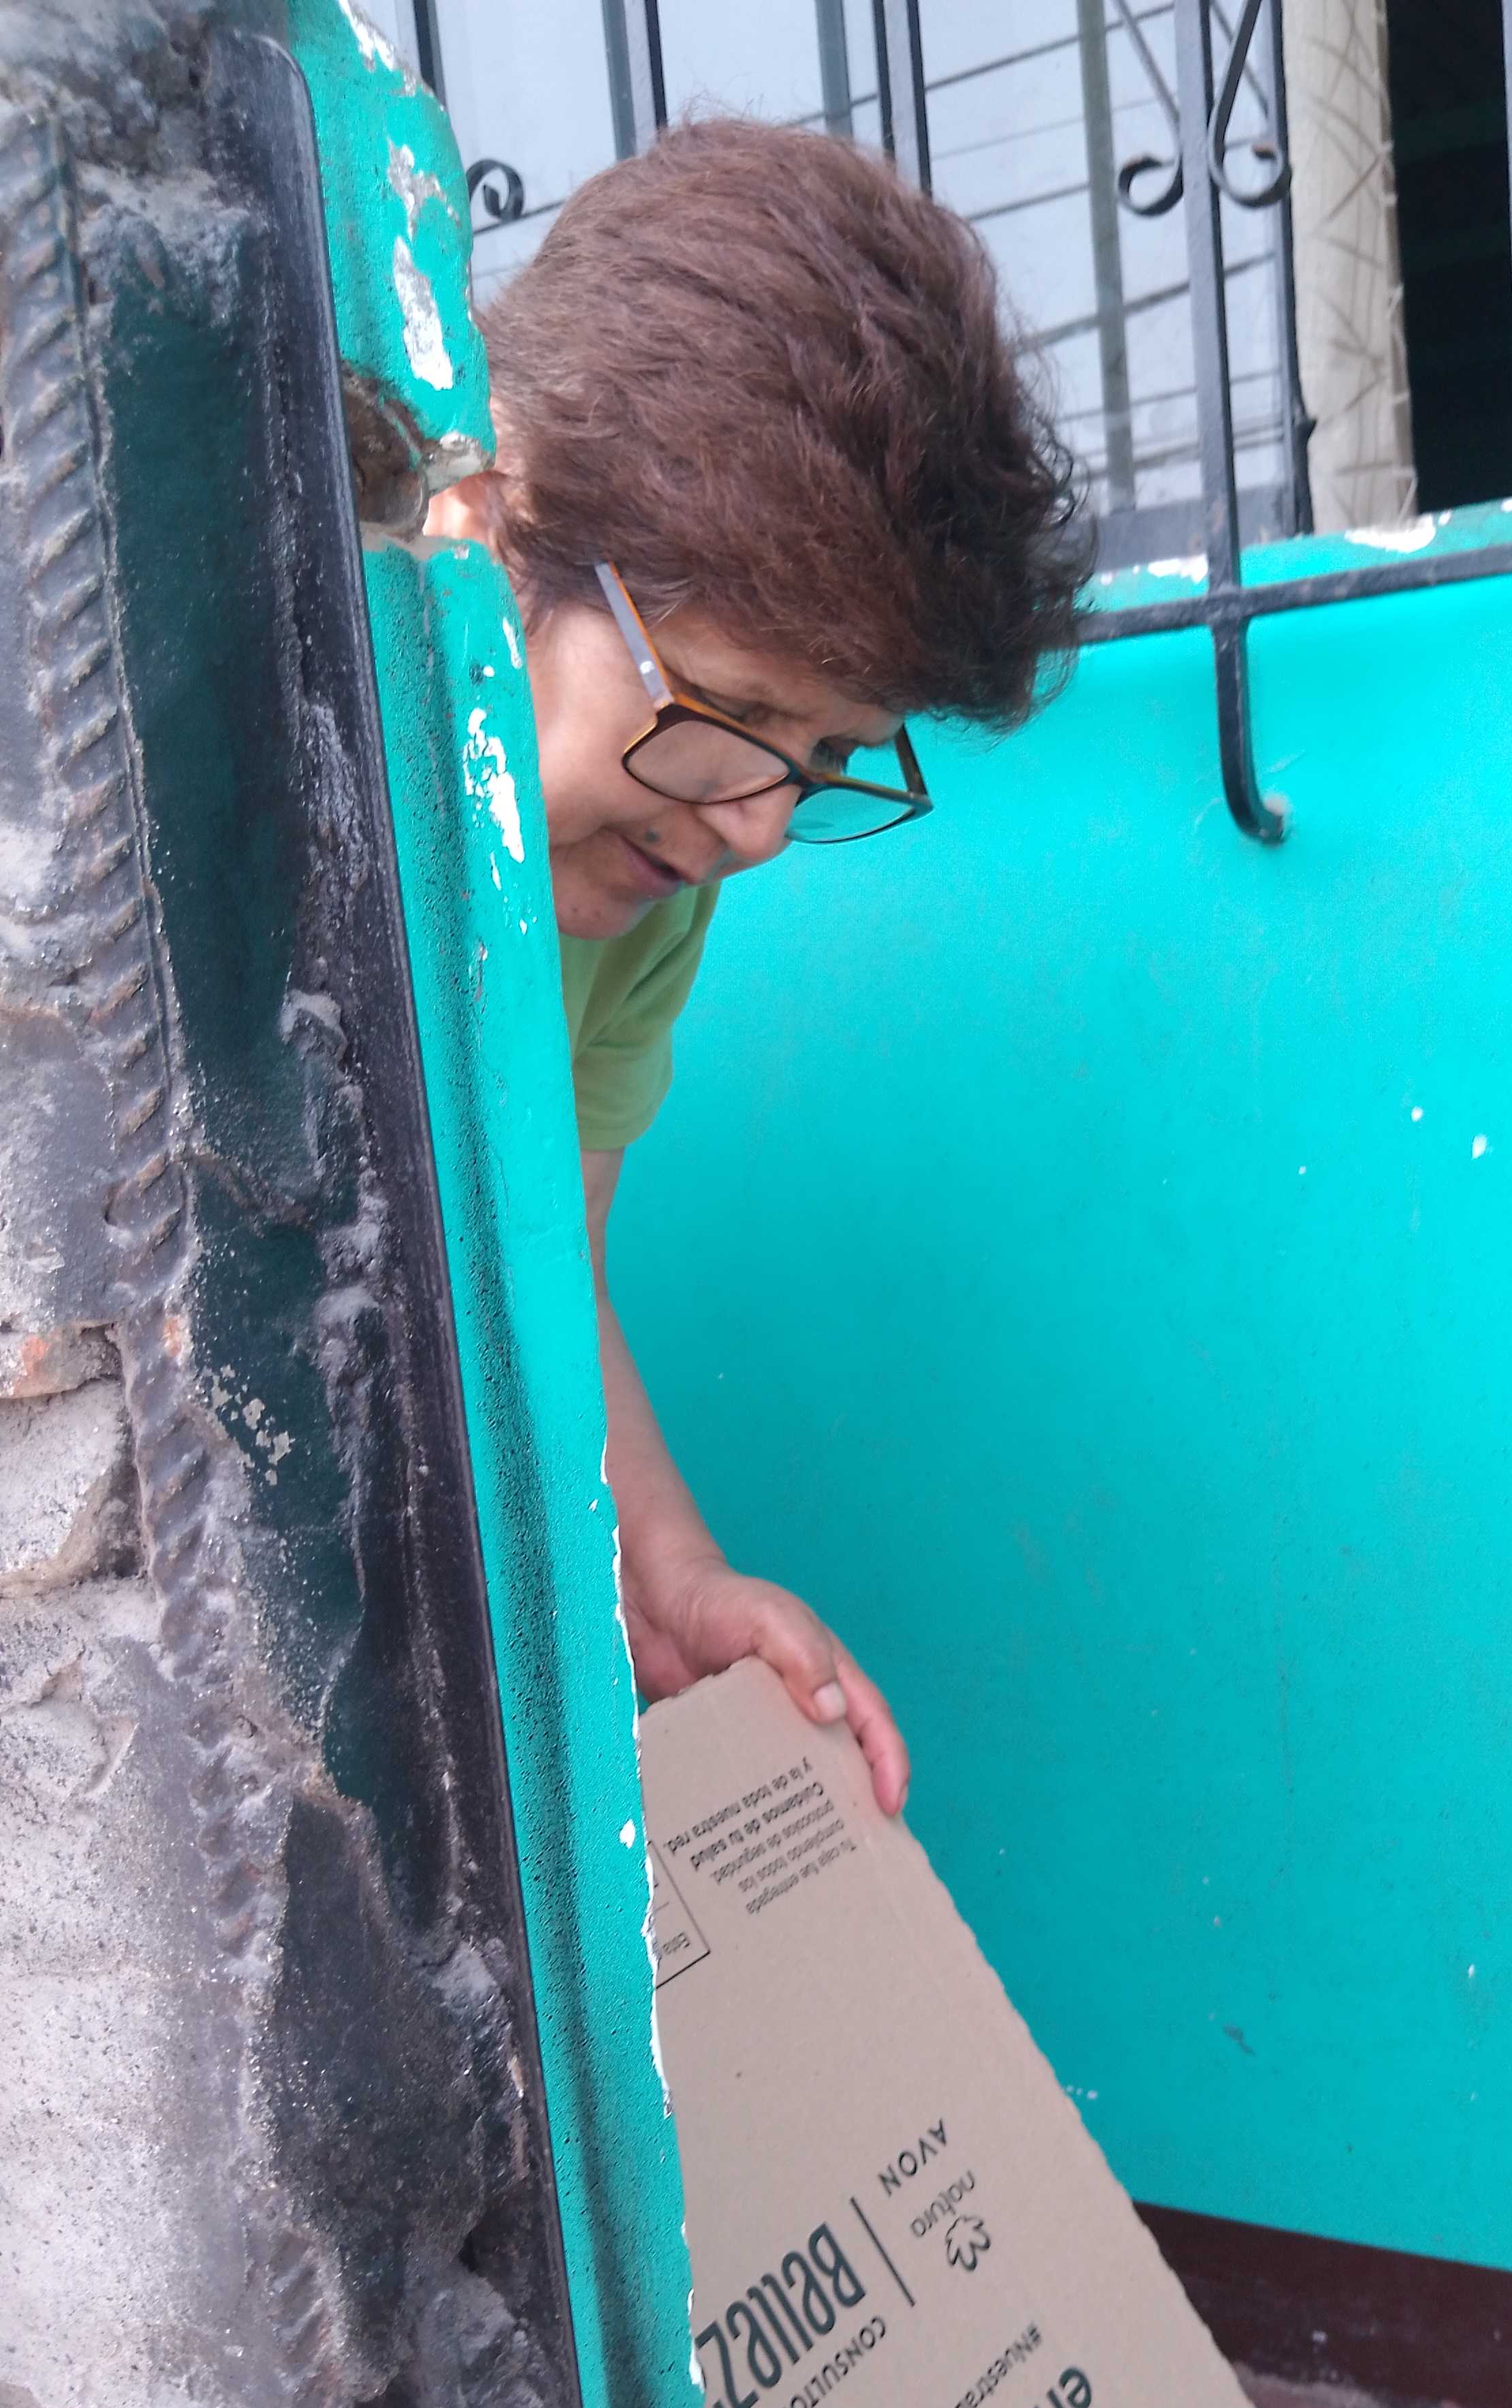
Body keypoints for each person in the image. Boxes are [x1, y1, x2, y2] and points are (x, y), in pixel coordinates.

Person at [426, 119, 1087, 1819]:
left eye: (831, 755)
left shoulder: (652, 868)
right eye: (735, 714)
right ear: (494, 510)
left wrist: (669, 1572)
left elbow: (547, 1262)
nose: (762, 826)